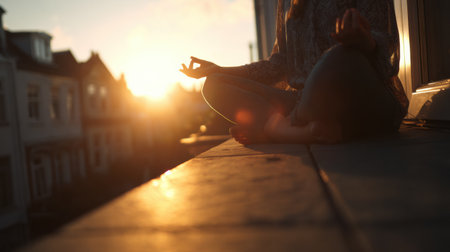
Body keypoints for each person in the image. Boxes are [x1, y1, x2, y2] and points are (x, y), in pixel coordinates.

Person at [180, 0, 409, 145]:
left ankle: (275, 130)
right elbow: (279, 63)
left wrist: (363, 40)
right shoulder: (289, 3)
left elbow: (387, 46)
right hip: (303, 100)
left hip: (358, 95)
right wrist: (219, 69)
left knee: (337, 58)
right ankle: (300, 129)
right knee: (214, 85)